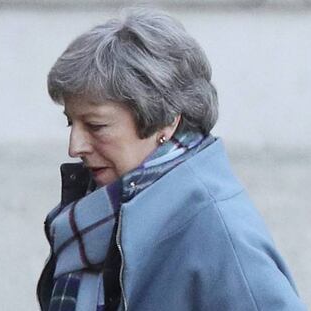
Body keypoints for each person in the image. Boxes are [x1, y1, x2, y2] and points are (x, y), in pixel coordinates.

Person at [37, 9, 306, 311]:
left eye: (96, 126)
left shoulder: (215, 225)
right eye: (70, 123)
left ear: (165, 120)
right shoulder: (98, 212)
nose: (75, 147)